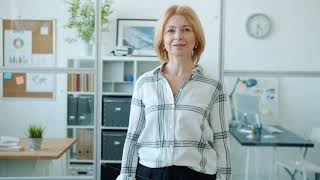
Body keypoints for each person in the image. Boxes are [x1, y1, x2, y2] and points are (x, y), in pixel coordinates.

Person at [116, 5, 231, 180]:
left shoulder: (213, 86)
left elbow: (221, 141)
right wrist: (125, 175)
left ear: (196, 39)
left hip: (196, 174)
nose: (178, 36)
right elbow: (133, 137)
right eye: (170, 30)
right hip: (149, 173)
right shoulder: (144, 83)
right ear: (162, 40)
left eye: (186, 29)